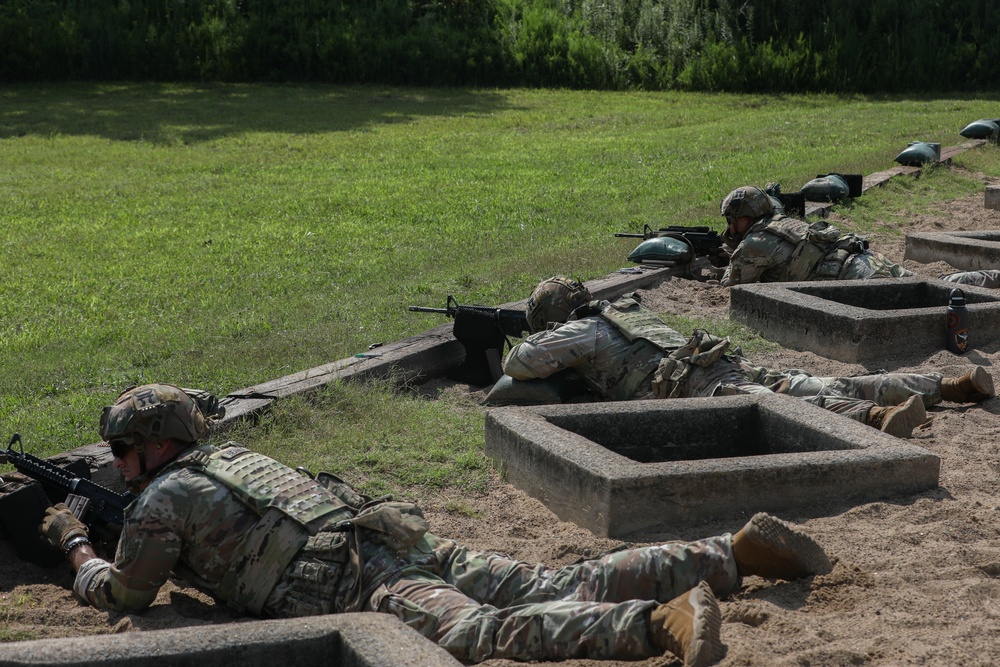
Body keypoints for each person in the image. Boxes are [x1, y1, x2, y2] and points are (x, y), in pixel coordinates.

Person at [39, 383, 834, 667]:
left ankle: (653, 623)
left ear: (153, 446)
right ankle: (728, 552)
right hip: (392, 534)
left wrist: (75, 546)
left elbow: (128, 596)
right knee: (551, 579)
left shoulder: (159, 502)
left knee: (482, 634)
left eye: (121, 450)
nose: (116, 464)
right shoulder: (232, 458)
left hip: (355, 580)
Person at [500, 276, 995, 438]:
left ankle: (879, 417)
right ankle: (946, 385)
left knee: (793, 406)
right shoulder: (624, 312)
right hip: (720, 363)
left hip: (698, 385)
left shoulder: (581, 330)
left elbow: (519, 364)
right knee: (821, 383)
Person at [717, 185, 1000, 287]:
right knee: (928, 283)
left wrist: (720, 259)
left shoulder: (754, 243)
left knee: (932, 293)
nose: (729, 227)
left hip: (853, 276)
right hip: (861, 258)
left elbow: (731, 285)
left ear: (744, 219)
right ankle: (993, 277)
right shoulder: (781, 223)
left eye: (731, 221)